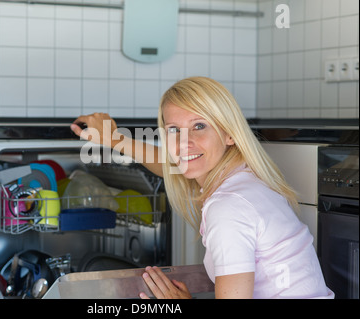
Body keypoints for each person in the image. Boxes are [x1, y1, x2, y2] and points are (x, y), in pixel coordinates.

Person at [70, 76, 334, 299]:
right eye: (174, 129)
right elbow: (172, 165)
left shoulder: (228, 207)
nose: (185, 142)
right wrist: (113, 138)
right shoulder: (243, 176)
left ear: (230, 134)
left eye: (199, 126)